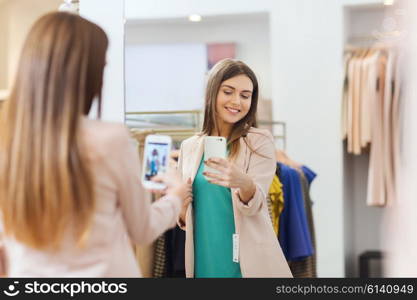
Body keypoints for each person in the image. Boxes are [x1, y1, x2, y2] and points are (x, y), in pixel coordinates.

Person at [0, 12, 188, 277]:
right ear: (85, 73)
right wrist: (175, 198)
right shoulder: (109, 139)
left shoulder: (9, 144)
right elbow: (142, 228)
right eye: (102, 66)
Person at [177, 59, 292, 278]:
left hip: (246, 260)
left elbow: (255, 205)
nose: (236, 101)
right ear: (212, 93)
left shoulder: (259, 141)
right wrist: (181, 208)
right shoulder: (189, 147)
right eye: (228, 92)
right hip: (204, 255)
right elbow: (188, 215)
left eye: (245, 95)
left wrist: (244, 182)